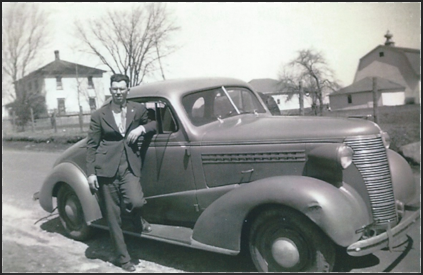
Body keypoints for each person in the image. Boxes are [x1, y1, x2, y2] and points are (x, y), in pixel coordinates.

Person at [86, 74, 156, 272]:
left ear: (127, 90)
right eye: (114, 89)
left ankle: (137, 219)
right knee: (113, 216)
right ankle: (123, 258)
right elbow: (91, 146)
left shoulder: (138, 109)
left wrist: (141, 128)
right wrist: (91, 173)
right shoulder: (99, 115)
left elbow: (155, 124)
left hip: (129, 165)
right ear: (110, 90)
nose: (118, 92)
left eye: (121, 89)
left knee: (136, 201)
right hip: (106, 169)